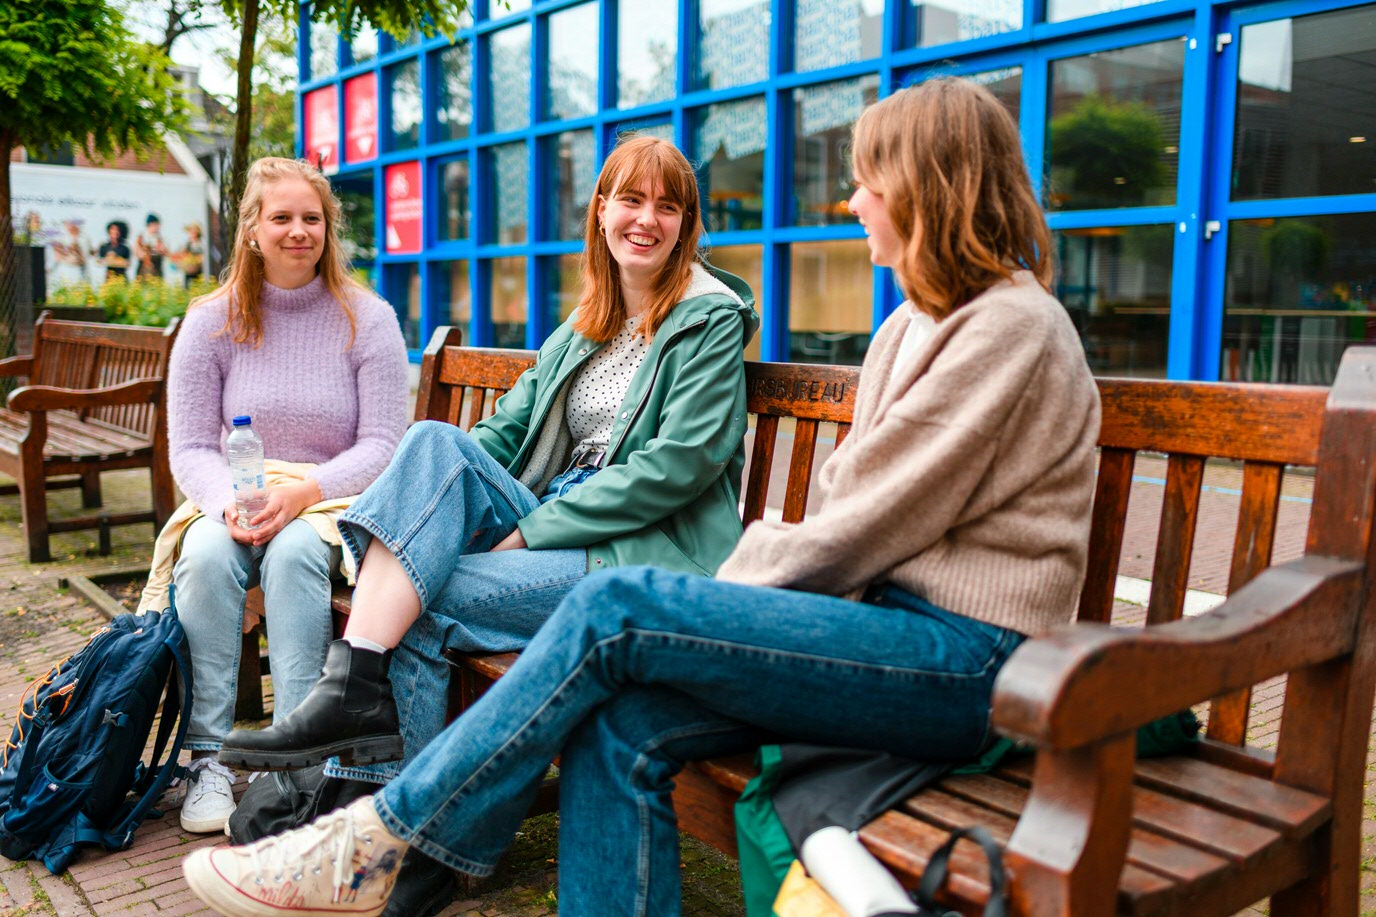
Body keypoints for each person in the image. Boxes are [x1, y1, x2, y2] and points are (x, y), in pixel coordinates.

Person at [184, 78, 1099, 917]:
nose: (852, 201)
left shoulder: (1010, 328)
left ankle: (377, 838)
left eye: (867, 181)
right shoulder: (917, 320)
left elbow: (860, 519)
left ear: (927, 187)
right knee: (617, 718)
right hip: (880, 629)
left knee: (618, 606)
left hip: (972, 661)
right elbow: (851, 507)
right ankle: (388, 816)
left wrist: (720, 593)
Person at [214, 135, 758, 783]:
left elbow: (680, 466)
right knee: (434, 445)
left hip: (638, 549)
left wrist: (531, 530)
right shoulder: (588, 323)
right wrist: (437, 505)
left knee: (417, 598)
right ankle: (357, 740)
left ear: (686, 226)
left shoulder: (709, 321)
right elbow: (503, 431)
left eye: (667, 207)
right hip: (559, 515)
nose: (646, 218)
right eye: (631, 199)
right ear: (602, 211)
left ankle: (366, 806)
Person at [161, 157, 409, 835]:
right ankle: (207, 757)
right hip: (234, 495)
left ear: (329, 229)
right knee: (207, 556)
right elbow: (189, 446)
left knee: (296, 551)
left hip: (329, 501)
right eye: (282, 218)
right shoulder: (212, 320)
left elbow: (386, 443)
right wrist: (227, 504)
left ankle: (293, 763)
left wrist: (304, 493)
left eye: (312, 219)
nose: (299, 231)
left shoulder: (369, 318)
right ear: (252, 230)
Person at [49, 218, 90, 289]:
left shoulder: (84, 239)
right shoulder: (61, 238)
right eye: (67, 224)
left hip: (78, 272)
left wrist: (76, 248)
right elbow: (57, 257)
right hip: (63, 271)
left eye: (72, 224)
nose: (70, 226)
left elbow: (84, 259)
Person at [134, 212, 168, 279]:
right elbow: (138, 253)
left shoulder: (160, 238)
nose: (158, 227)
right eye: (155, 224)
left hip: (157, 269)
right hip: (143, 269)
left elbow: (165, 253)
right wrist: (146, 252)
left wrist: (161, 250)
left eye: (158, 225)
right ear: (149, 225)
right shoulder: (141, 237)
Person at [174, 221, 206, 287]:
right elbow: (181, 254)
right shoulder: (187, 244)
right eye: (190, 232)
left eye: (193, 232)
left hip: (198, 271)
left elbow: (203, 256)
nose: (191, 234)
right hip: (189, 271)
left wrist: (199, 259)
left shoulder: (201, 244)